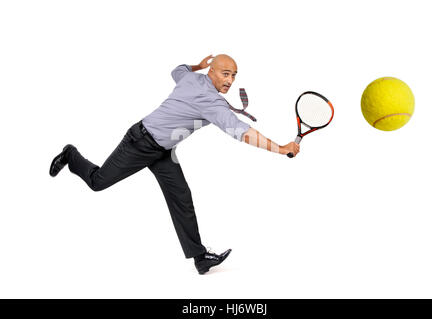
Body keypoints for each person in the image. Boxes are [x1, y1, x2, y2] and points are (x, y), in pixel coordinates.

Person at [49, 54, 300, 275]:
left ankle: (200, 259)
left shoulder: (192, 78)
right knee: (98, 182)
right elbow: (242, 132)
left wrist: (197, 65)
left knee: (182, 196)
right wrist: (280, 148)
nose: (230, 80)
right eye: (225, 73)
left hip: (164, 150)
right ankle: (71, 155)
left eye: (234, 75)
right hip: (140, 142)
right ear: (211, 72)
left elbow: (178, 69)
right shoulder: (212, 103)